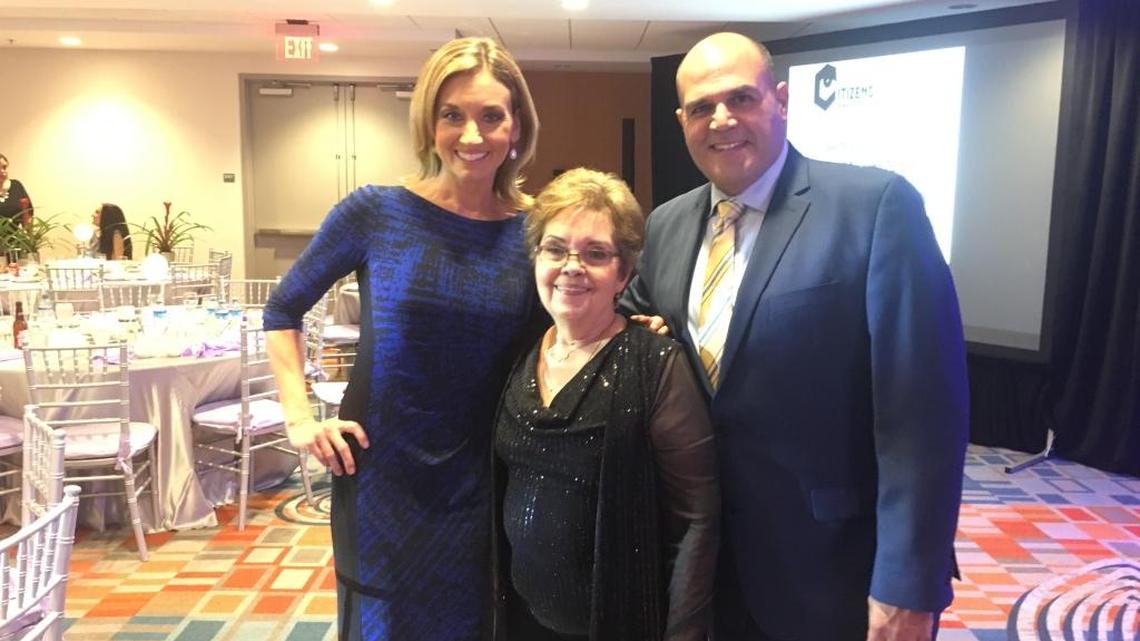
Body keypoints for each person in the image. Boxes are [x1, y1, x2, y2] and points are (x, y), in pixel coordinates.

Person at [620, 32, 969, 641]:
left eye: (741, 99)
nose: (722, 120)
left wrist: (908, 584)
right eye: (702, 107)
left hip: (833, 568)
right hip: (707, 563)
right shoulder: (667, 224)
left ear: (780, 99)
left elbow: (923, 417)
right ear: (681, 121)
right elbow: (633, 322)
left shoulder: (876, 206)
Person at [262, 37, 541, 641]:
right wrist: (298, 418)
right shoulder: (376, 212)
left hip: (484, 480)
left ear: (516, 126)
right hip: (381, 477)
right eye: (453, 115)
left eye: (491, 115)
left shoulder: (535, 232)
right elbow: (282, 309)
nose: (472, 135)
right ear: (428, 124)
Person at [494, 168, 719, 641]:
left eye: (595, 254)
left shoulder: (654, 363)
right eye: (556, 248)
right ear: (536, 257)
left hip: (618, 624)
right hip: (521, 619)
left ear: (624, 273)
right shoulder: (520, 353)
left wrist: (684, 633)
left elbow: (696, 518)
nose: (571, 266)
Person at [0, 153, 34, 222]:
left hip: (16, 233)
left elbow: (28, 217)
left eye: (4, 167)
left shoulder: (16, 186)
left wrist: (29, 231)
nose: (2, 171)